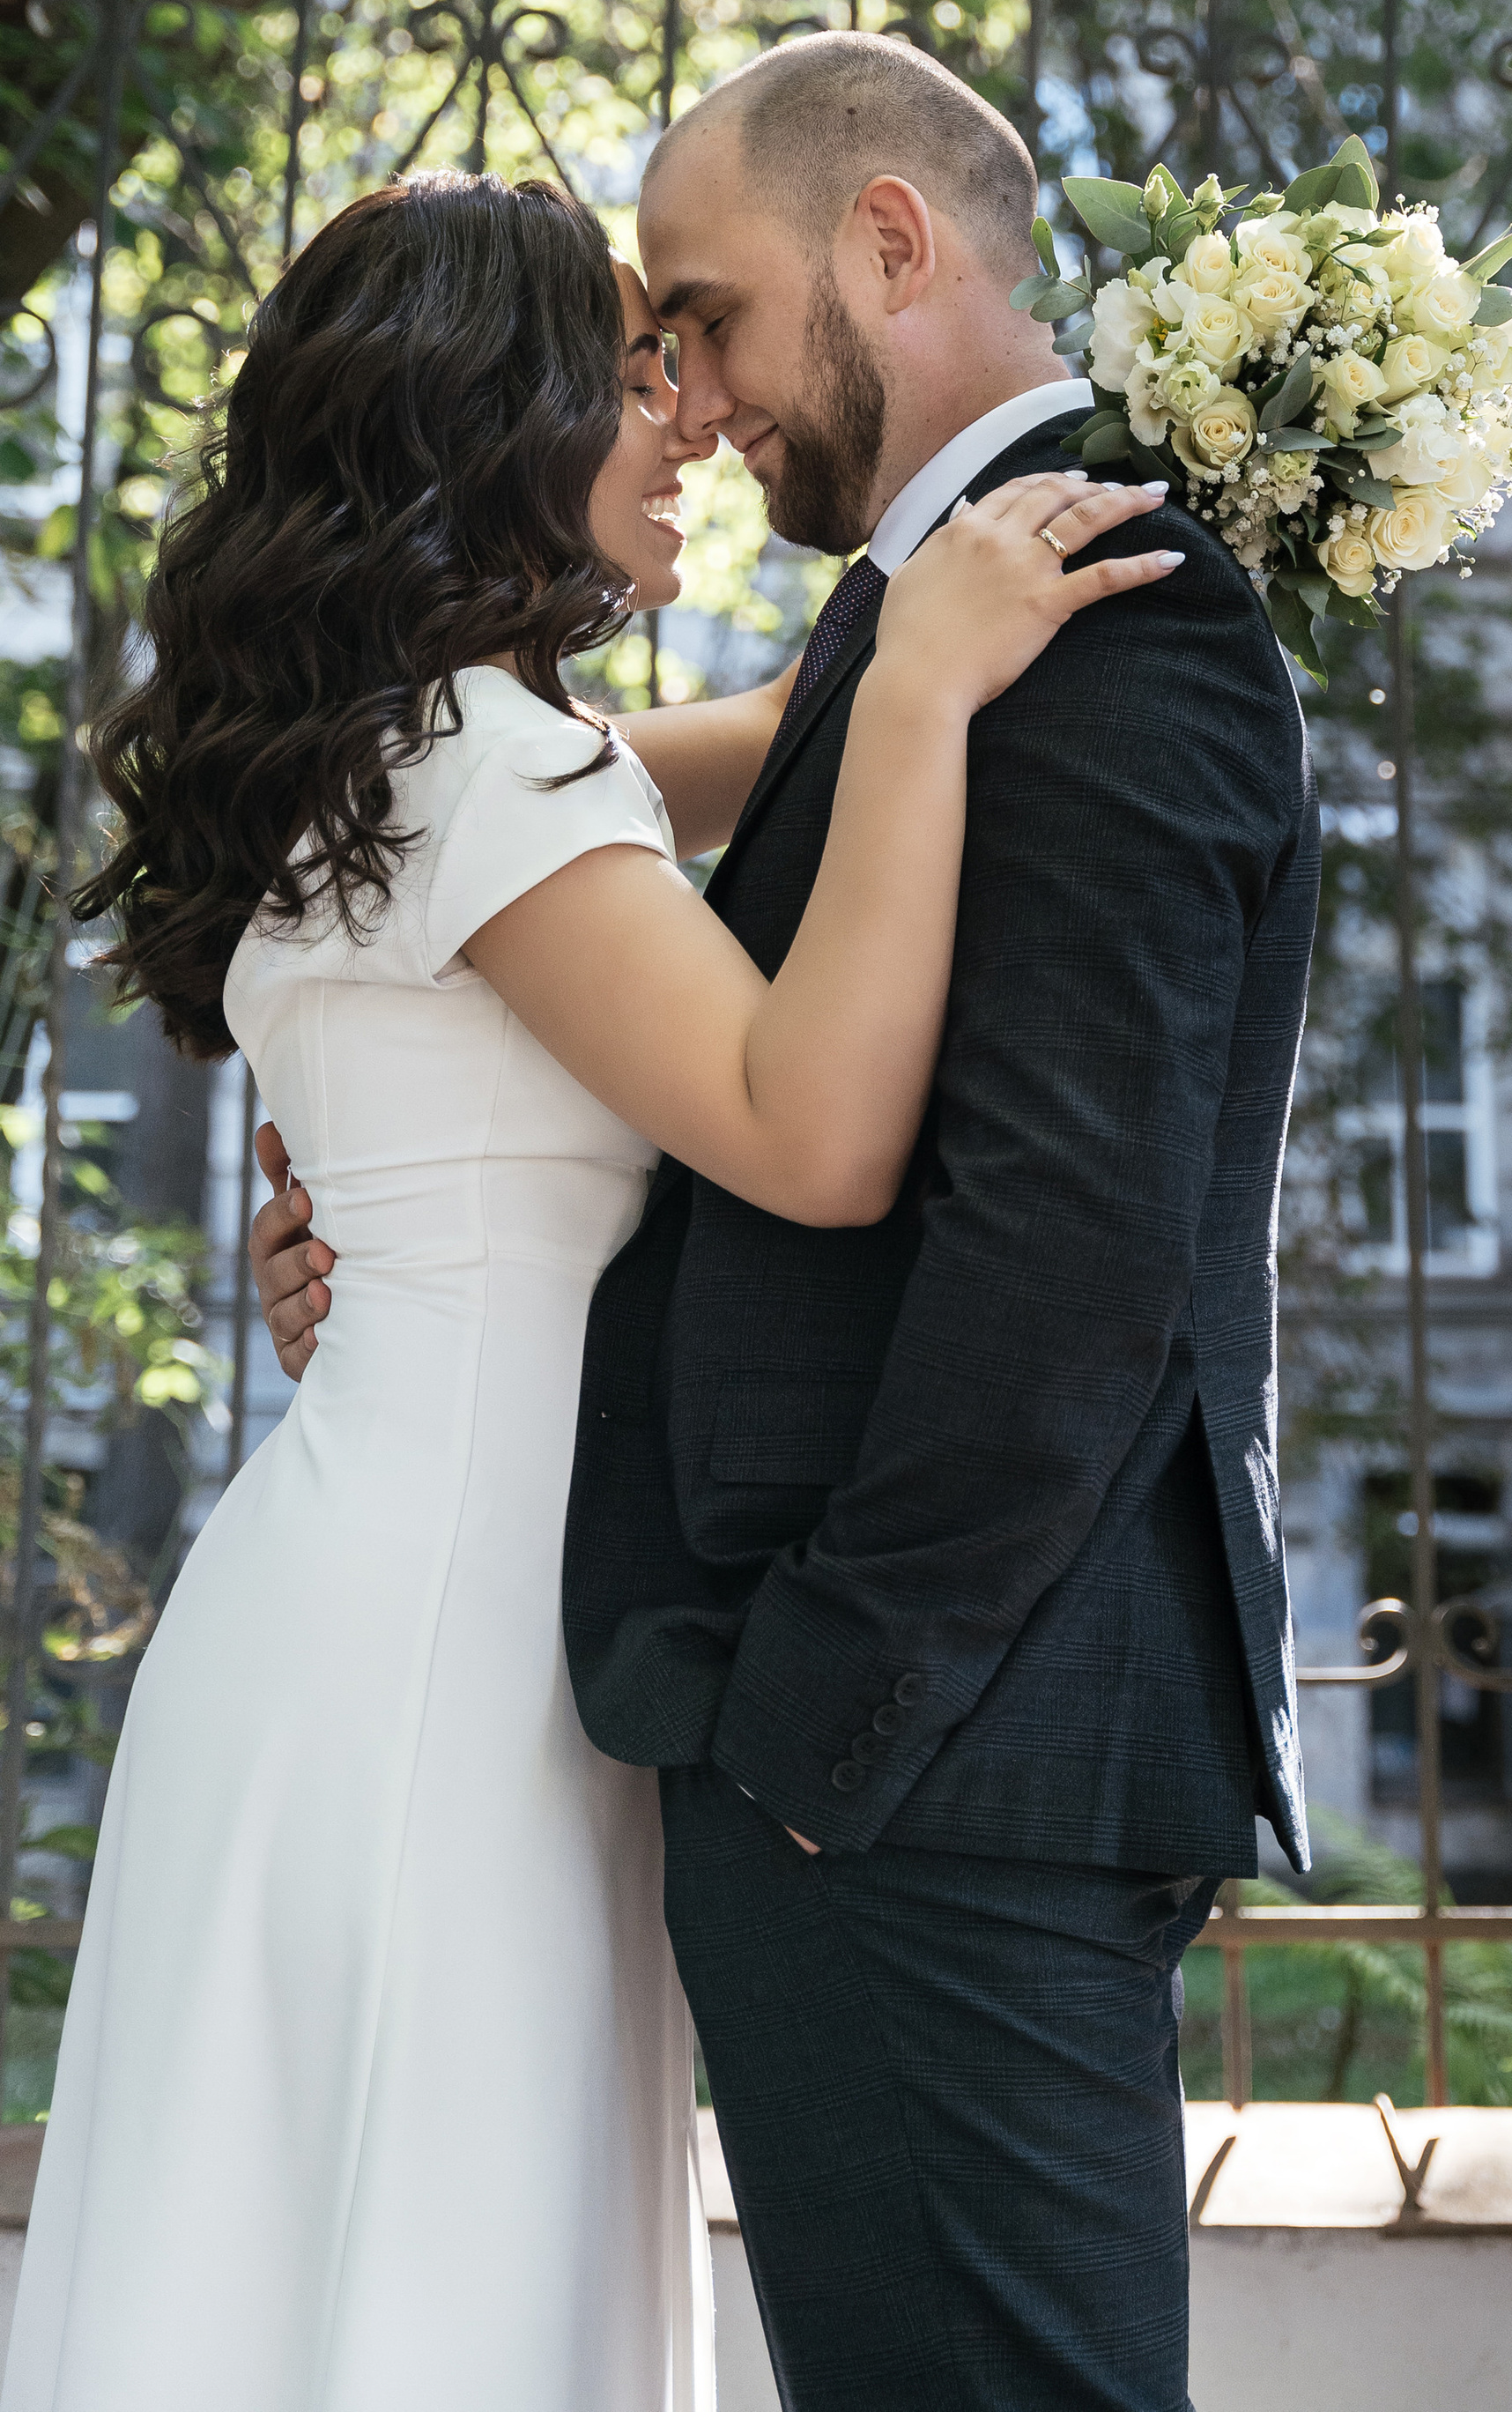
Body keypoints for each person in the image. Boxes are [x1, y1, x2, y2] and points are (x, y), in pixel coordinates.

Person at [3, 167, 1177, 2412]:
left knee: (323, 2290)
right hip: (445, 1670)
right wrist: (924, 692)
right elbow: (811, 1140)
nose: (693, 425)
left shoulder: (401, 750)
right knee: (440, 2298)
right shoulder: (485, 763)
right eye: (635, 375)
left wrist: (905, 611)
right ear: (499, 416)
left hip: (370, 1611)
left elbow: (721, 759)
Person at [263, 34, 1322, 2412]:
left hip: (931, 1756)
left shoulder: (1096, 613)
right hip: (908, 1755)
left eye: (707, 314)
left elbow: (1074, 1249)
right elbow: (518, 815)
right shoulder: (920, 623)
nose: (694, 390)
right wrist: (383, 1118)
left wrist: (822, 1724)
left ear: (888, 242)